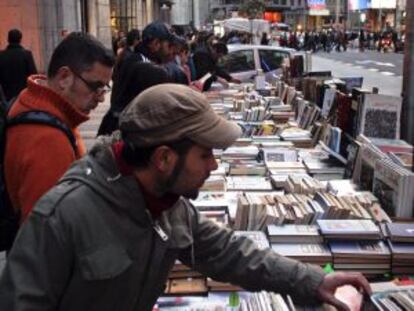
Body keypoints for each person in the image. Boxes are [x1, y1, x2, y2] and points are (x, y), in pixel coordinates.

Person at [0, 84, 371, 311]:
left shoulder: (167, 205)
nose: (213, 165)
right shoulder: (61, 217)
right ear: (163, 158)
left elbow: (230, 253)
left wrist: (313, 281)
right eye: (205, 154)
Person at [3, 32, 114, 222]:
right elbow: (45, 232)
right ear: (64, 77)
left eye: (104, 88)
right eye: (95, 86)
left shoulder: (34, 101)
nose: (101, 97)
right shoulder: (48, 140)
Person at [97, 21, 175, 136]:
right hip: (123, 132)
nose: (171, 51)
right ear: (156, 44)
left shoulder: (139, 59)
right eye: (169, 45)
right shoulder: (144, 66)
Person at [0, 29, 37, 102]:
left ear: (8, 39)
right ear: (20, 39)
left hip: (6, 96)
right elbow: (33, 75)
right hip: (24, 96)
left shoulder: (1, 55)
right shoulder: (27, 55)